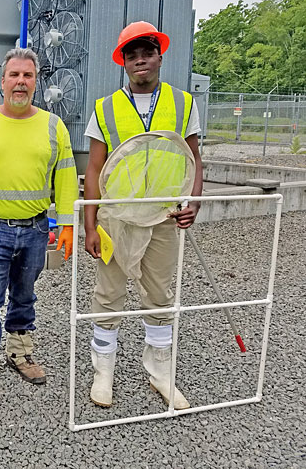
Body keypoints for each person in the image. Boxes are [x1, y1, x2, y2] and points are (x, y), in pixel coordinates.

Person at [83, 21, 203, 410]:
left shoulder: (184, 104)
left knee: (160, 295)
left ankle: (160, 371)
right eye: (132, 55)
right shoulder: (105, 108)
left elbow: (194, 159)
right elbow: (95, 169)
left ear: (159, 56)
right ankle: (104, 371)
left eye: (147, 53)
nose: (140, 60)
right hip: (117, 219)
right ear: (123, 62)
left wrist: (193, 202)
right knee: (109, 294)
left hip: (163, 217)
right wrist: (90, 223)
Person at [0, 47, 79, 408]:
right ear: (2, 81)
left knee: (25, 296)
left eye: (28, 76)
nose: (20, 82)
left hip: (36, 229)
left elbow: (67, 177)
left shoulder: (53, 126)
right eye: (14, 75)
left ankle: (20, 354)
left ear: (36, 83)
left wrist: (68, 223)